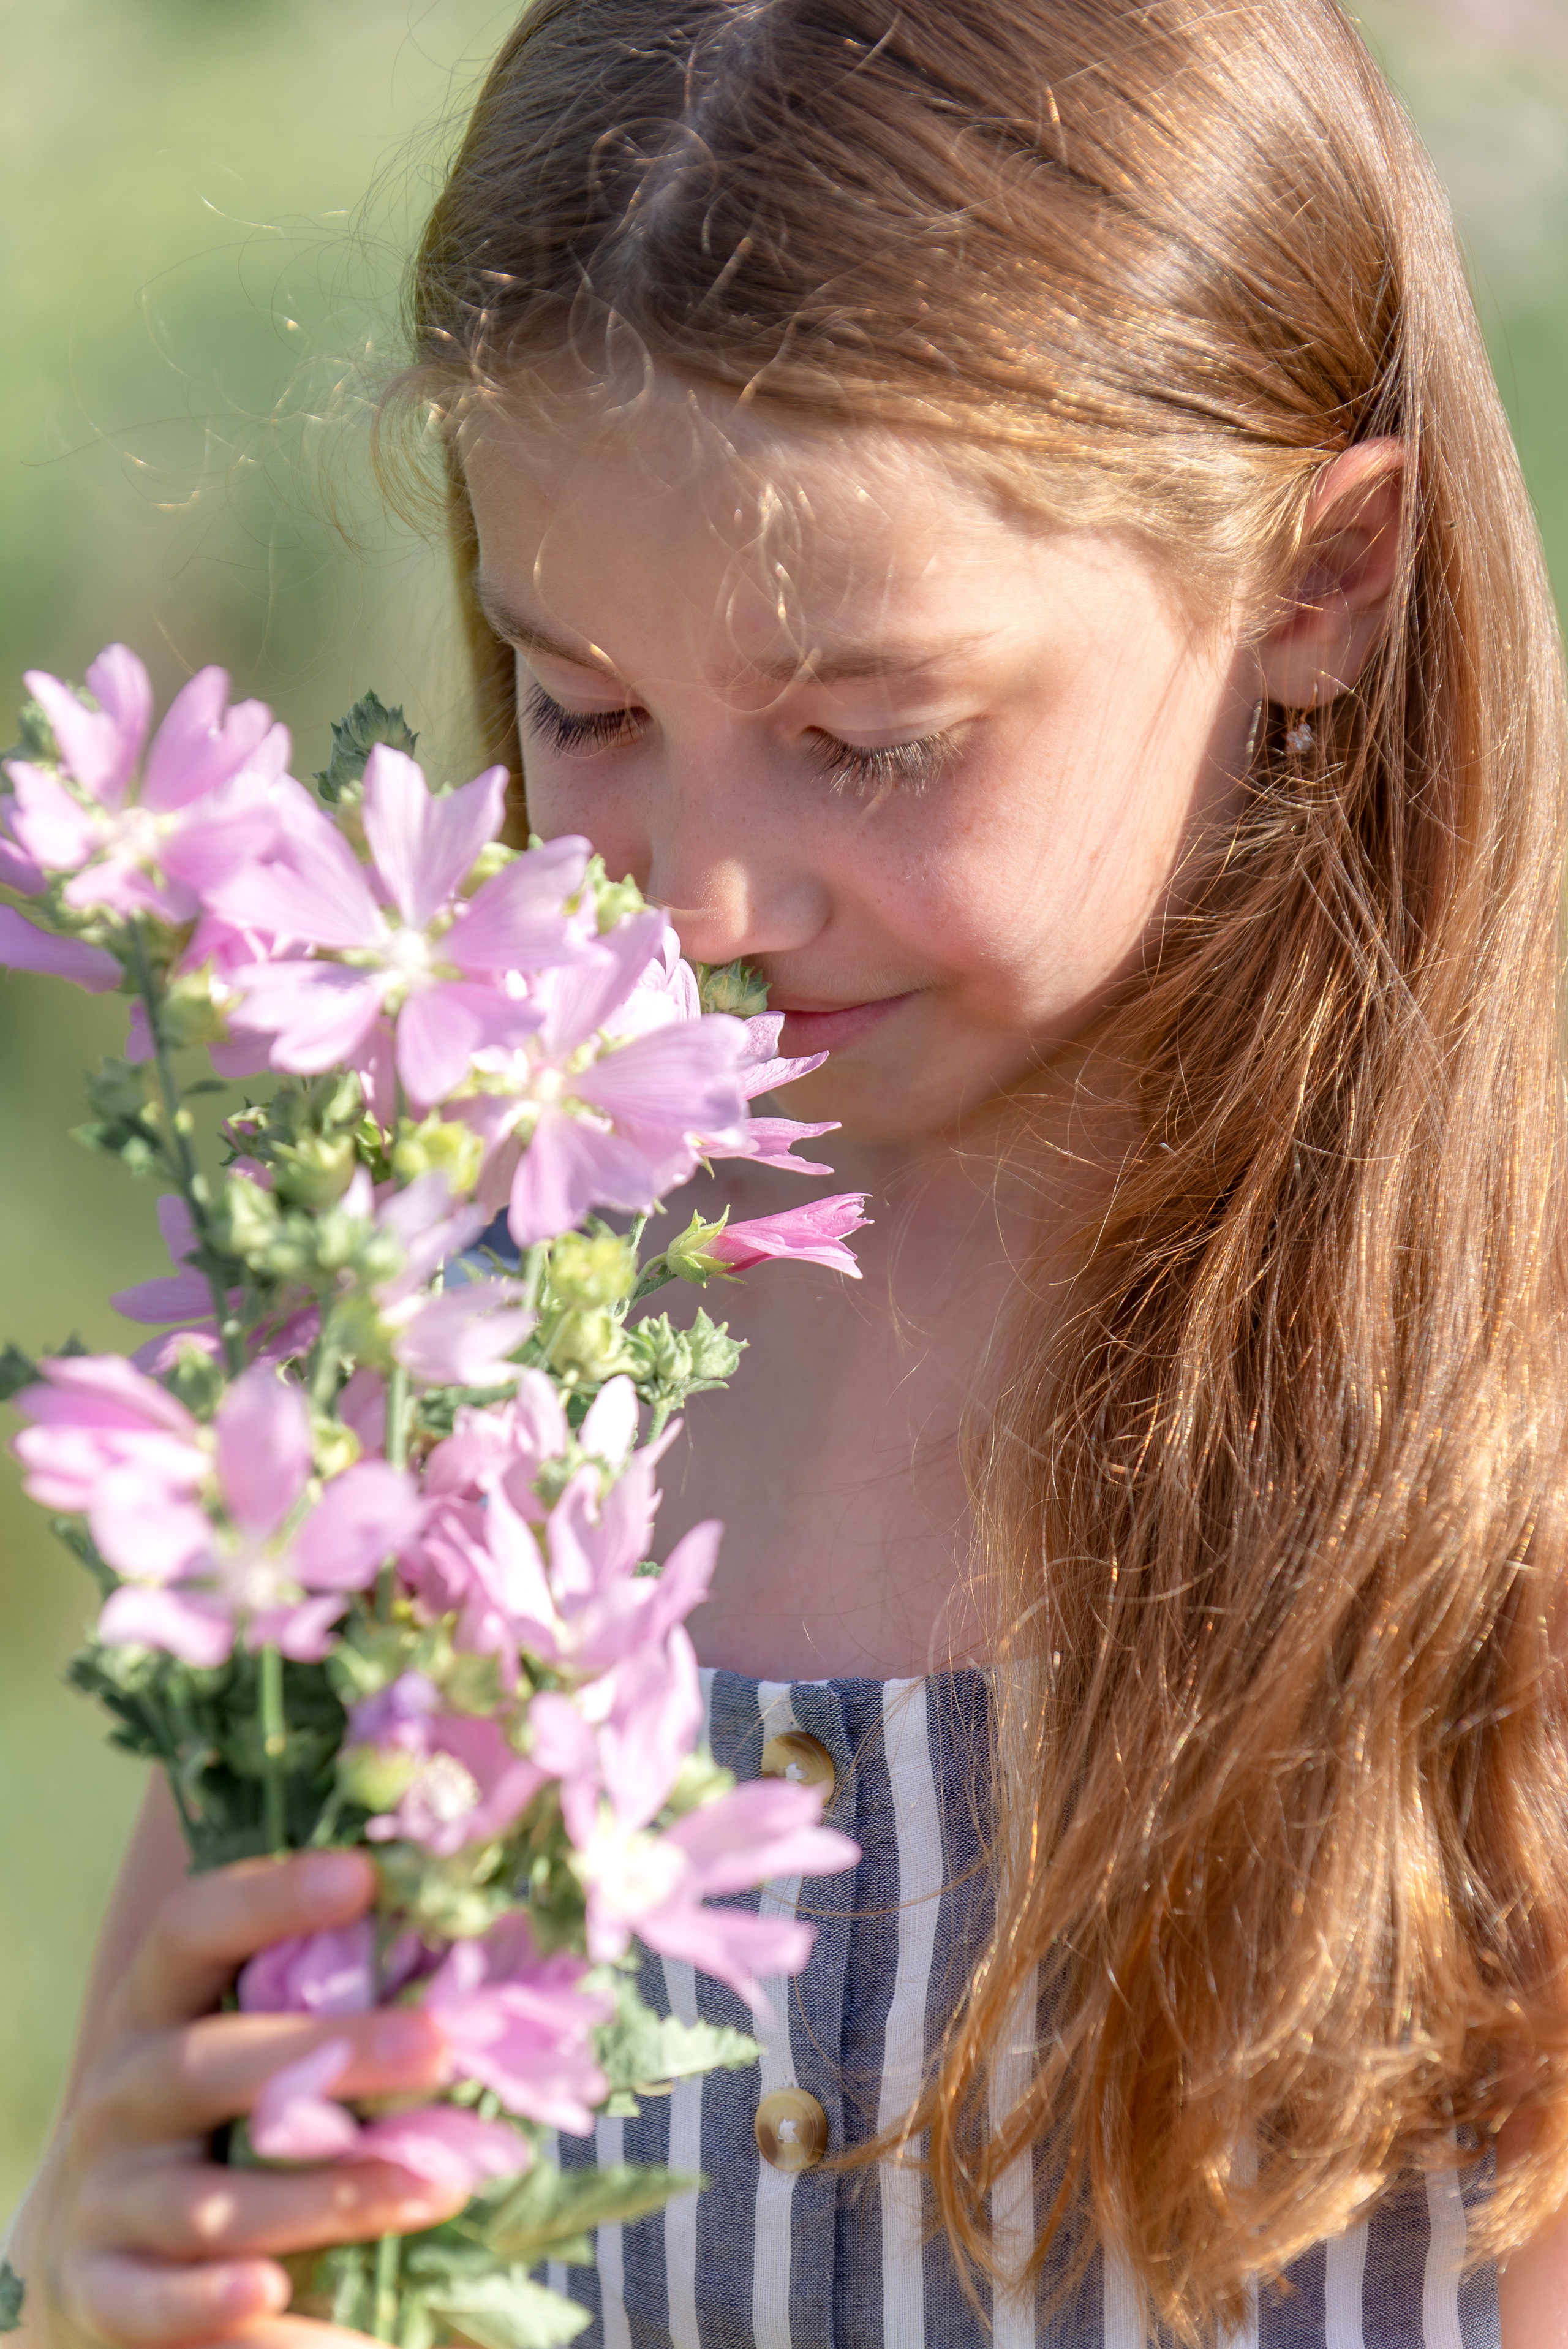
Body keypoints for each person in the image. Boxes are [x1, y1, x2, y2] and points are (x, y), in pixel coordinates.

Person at [10, 0, 1568, 2341]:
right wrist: (106, 2277)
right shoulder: (434, 1358)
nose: (702, 893)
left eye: (871, 738)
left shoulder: (1498, 1458)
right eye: (587, 708)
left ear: (1322, 581)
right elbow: (181, 2177)